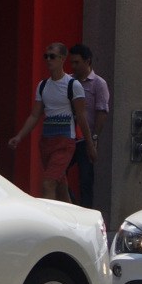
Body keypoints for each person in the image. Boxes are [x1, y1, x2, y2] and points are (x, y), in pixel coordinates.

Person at [8, 43, 95, 201]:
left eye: (52, 56)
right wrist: (19, 137)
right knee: (61, 185)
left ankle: (48, 222)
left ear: (62, 59)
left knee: (48, 183)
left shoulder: (73, 85)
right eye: (46, 56)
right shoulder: (42, 86)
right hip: (46, 142)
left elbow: (81, 117)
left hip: (64, 142)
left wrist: (89, 144)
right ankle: (73, 221)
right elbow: (35, 115)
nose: (48, 60)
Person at [67, 43, 110, 208]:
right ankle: (73, 205)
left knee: (85, 180)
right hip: (70, 136)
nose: (74, 66)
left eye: (77, 62)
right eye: (72, 63)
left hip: (86, 139)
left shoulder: (98, 83)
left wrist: (94, 138)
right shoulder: (69, 81)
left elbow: (102, 112)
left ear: (87, 61)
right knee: (58, 173)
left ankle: (86, 211)